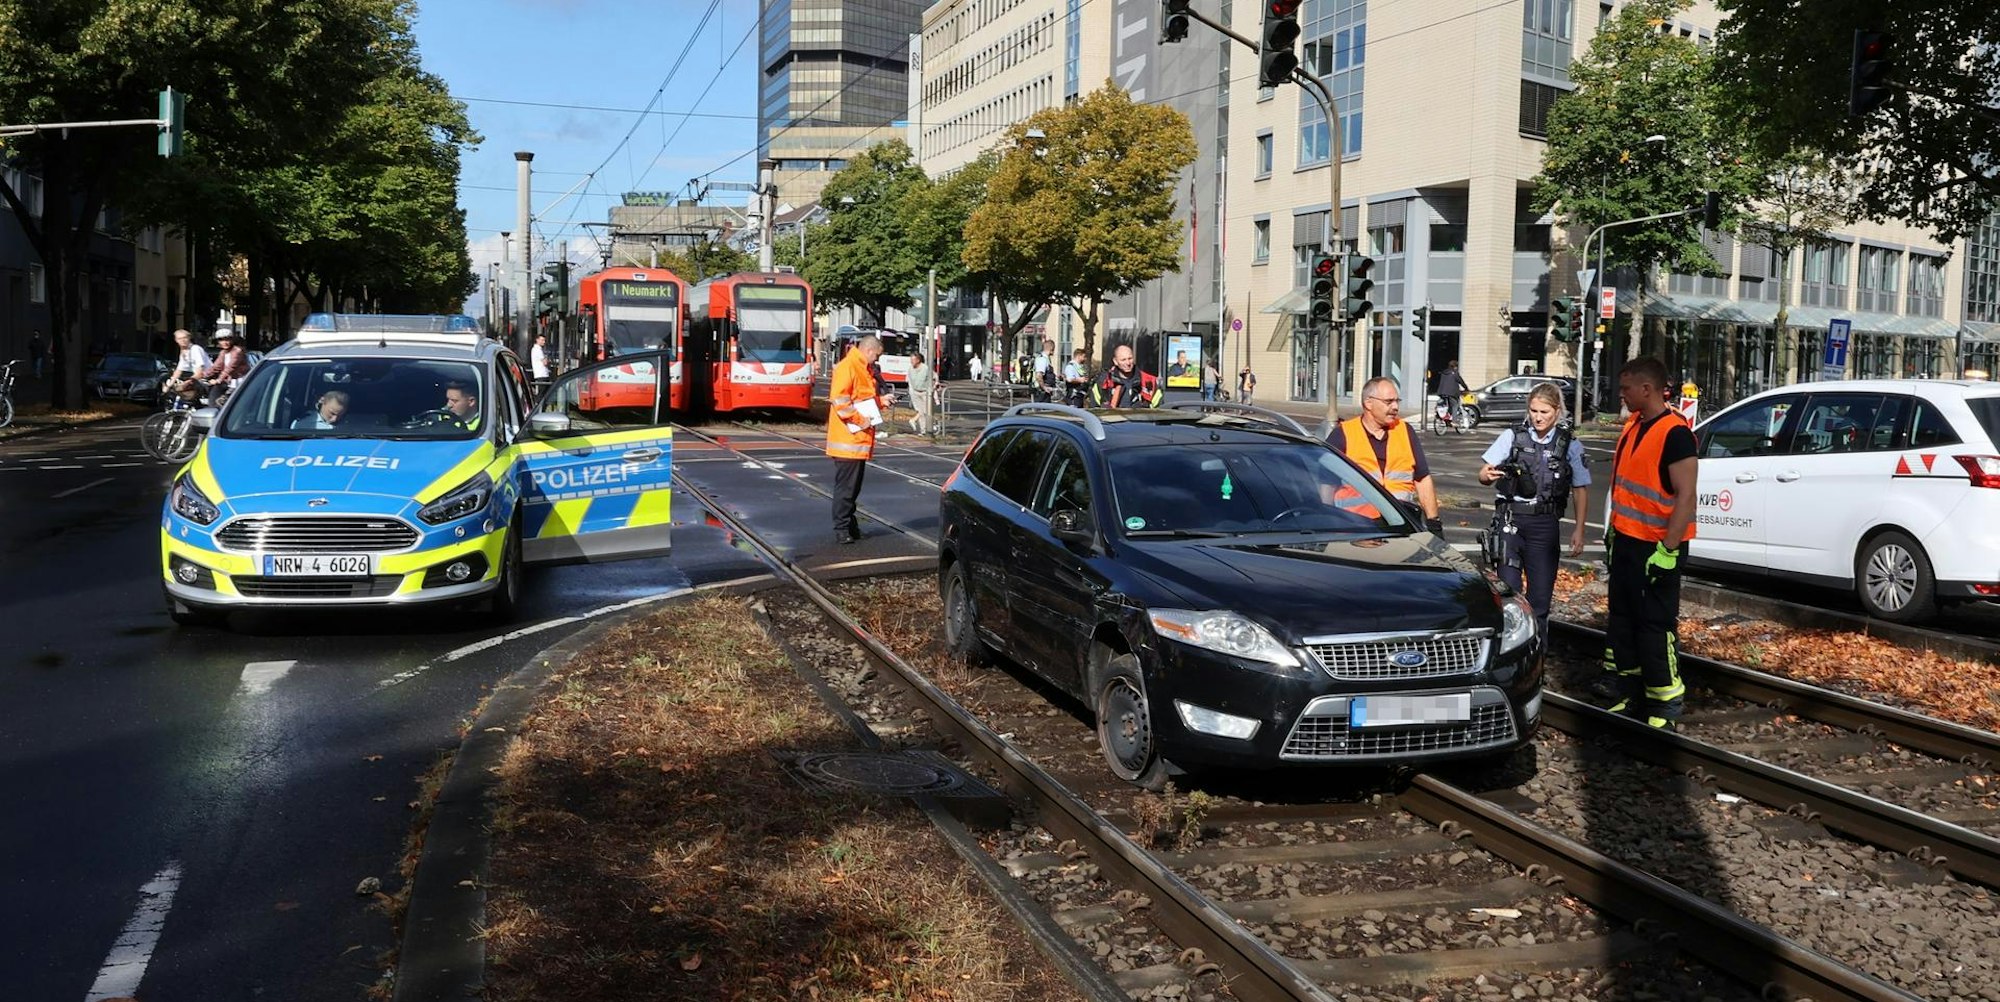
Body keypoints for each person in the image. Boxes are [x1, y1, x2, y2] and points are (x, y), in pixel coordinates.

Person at [1598, 356, 1698, 729]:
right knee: (1622, 622)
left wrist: (1669, 550)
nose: (1621, 395)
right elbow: (1624, 489)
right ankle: (1629, 691)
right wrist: (1611, 532)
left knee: (1655, 626)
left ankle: (1665, 705)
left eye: (1626, 389)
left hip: (1656, 548)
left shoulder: (1675, 433)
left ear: (1647, 389)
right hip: (1626, 541)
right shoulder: (1633, 426)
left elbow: (1686, 496)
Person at [1478, 382, 1591, 636]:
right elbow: (1483, 474)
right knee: (1509, 595)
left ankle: (1537, 656)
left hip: (1544, 526)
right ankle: (1510, 652)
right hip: (1510, 522)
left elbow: (1581, 489)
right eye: (1534, 411)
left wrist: (1579, 530)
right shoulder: (1513, 436)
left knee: (1539, 600)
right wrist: (1488, 475)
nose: (1538, 417)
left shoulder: (1569, 445)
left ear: (1557, 411)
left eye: (1544, 412)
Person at [1328, 376, 1443, 534]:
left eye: (1397, 401)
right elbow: (1325, 483)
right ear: (1369, 403)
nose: (1395, 407)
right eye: (1389, 402)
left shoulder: (1405, 431)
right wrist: (1326, 522)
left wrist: (1433, 523)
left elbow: (1422, 479)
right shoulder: (1343, 434)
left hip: (1401, 526)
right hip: (1355, 528)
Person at [826, 334, 894, 544]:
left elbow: (861, 398)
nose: (877, 361)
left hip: (856, 440)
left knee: (851, 488)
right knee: (846, 488)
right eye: (877, 356)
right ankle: (842, 528)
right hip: (850, 438)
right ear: (869, 351)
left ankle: (848, 525)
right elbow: (841, 401)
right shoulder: (850, 367)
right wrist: (861, 420)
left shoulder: (860, 367)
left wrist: (881, 401)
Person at [1091, 343, 1164, 408]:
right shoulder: (1104, 382)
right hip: (1112, 422)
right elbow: (1094, 409)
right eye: (1123, 360)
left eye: (1130, 358)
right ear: (1115, 361)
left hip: (1140, 422)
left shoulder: (1149, 381)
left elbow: (1159, 409)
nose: (1128, 363)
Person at [198, 331, 250, 405]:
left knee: (224, 402)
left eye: (227, 340)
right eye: (221, 340)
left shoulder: (238, 351)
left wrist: (218, 380)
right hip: (228, 382)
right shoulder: (223, 352)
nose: (225, 342)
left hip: (239, 382)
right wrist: (202, 375)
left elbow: (230, 367)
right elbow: (216, 367)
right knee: (213, 398)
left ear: (232, 340)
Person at [163, 329, 211, 404]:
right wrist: (169, 384)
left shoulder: (195, 349)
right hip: (199, 380)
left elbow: (200, 371)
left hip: (208, 379)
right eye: (180, 338)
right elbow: (179, 370)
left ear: (189, 338)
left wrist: (188, 382)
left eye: (185, 338)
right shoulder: (184, 352)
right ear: (176, 340)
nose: (183, 340)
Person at [907, 351, 937, 436]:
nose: (911, 361)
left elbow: (935, 377)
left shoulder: (926, 368)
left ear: (918, 360)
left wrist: (933, 386)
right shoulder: (910, 369)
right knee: (921, 411)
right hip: (915, 392)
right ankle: (923, 430)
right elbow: (909, 379)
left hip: (925, 392)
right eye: (911, 360)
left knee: (926, 411)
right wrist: (911, 390)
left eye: (913, 360)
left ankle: (915, 420)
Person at [1434, 359, 1469, 427]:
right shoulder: (1454, 373)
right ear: (1455, 366)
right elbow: (1461, 381)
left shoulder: (1444, 372)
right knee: (1455, 405)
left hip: (1442, 392)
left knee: (1445, 405)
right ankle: (1454, 421)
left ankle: (1445, 419)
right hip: (1451, 393)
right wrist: (1466, 388)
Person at [1033, 337, 1061, 403]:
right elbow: (1039, 375)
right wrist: (1044, 387)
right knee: (1042, 411)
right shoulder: (1042, 359)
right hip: (1042, 392)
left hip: (1046, 391)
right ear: (1051, 348)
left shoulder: (1046, 359)